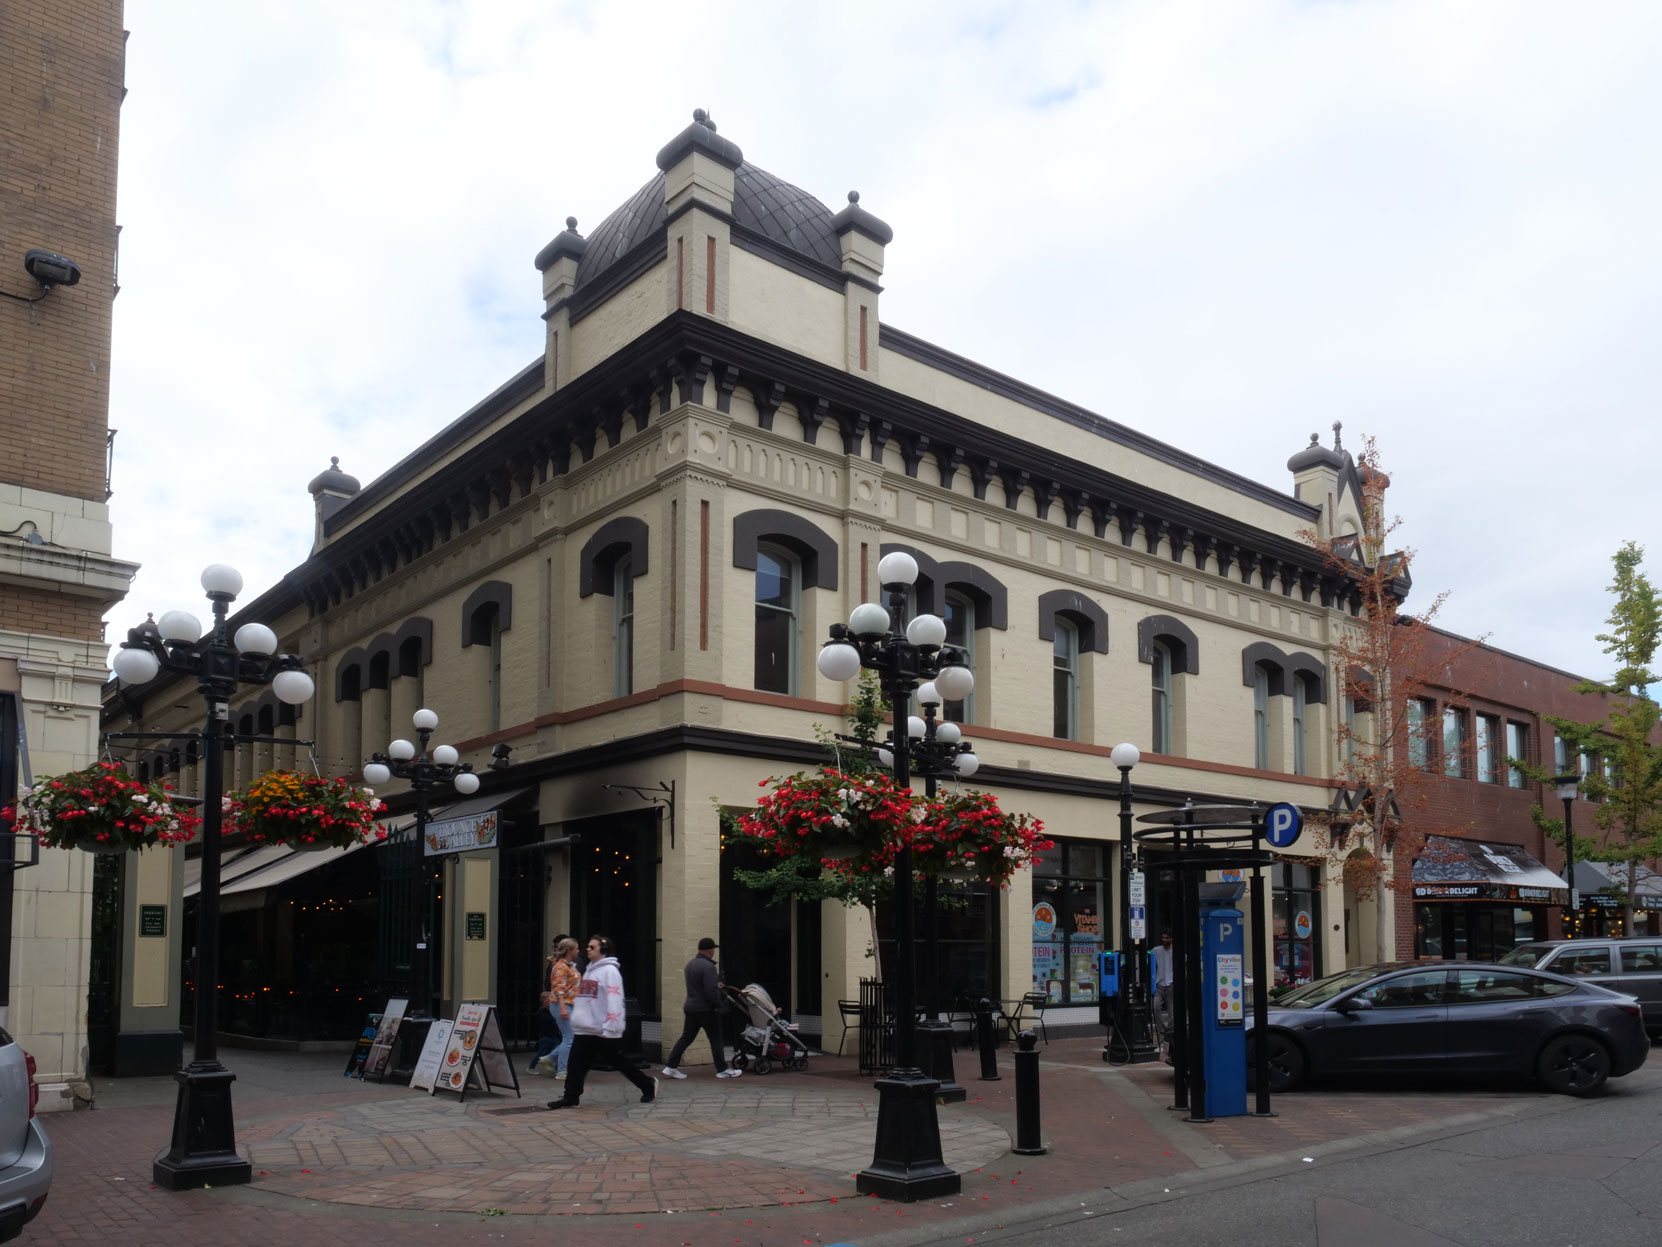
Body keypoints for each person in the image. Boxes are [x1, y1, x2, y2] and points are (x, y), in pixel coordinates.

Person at [546, 935, 657, 1109]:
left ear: (603, 950)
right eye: (588, 947)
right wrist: (579, 1019)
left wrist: (611, 1024)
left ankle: (647, 1084)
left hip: (602, 1028)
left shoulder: (610, 972)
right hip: (586, 1027)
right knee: (576, 1063)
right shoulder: (590, 970)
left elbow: (614, 998)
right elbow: (584, 998)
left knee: (618, 1061)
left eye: (592, 947)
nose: (587, 949)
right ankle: (571, 1096)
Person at [661, 937, 741, 1080]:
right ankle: (722, 1069)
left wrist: (716, 986)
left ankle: (671, 1067)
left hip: (691, 1007)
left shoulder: (690, 965)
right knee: (716, 1038)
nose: (714, 952)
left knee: (686, 1037)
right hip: (706, 1009)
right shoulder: (709, 967)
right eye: (713, 949)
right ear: (710, 950)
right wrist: (717, 1005)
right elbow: (710, 990)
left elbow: (698, 986)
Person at [547, 937, 581, 1077]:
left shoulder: (569, 965)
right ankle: (561, 1070)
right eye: (576, 948)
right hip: (562, 1004)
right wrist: (562, 1007)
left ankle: (550, 1058)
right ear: (569, 951)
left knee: (570, 1037)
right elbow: (558, 988)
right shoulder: (560, 966)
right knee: (569, 1038)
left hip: (569, 1004)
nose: (578, 951)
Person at [1152, 929, 1174, 1058]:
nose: (1164, 940)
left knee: (1172, 1014)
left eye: (1167, 938)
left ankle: (1168, 1035)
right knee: (1154, 1007)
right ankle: (1162, 1032)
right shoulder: (1156, 950)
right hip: (1159, 983)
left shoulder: (1177, 951)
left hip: (1171, 984)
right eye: (1163, 938)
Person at [528, 992, 558, 1072]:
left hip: (554, 1036)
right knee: (541, 1052)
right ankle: (531, 1067)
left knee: (555, 1053)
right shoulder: (541, 1012)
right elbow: (549, 1020)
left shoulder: (551, 1011)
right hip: (545, 1036)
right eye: (550, 1000)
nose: (552, 1002)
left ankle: (555, 1068)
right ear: (545, 1002)